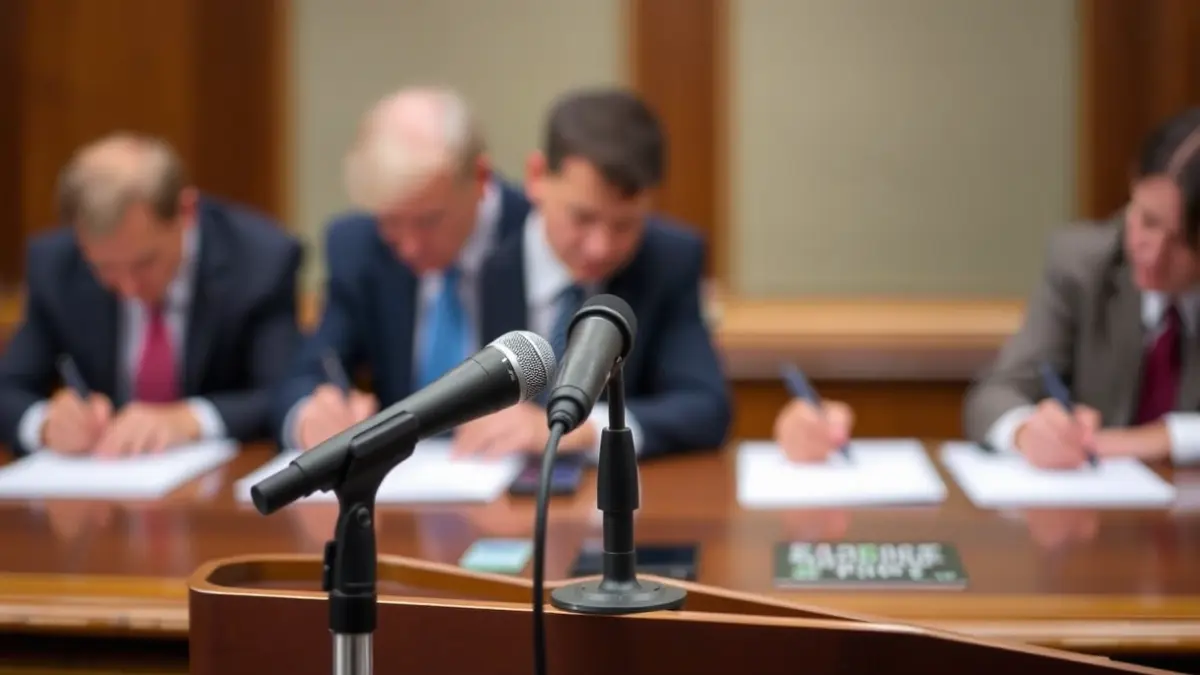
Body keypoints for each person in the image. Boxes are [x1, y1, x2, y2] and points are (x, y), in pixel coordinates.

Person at [449, 87, 730, 459]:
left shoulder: (668, 258)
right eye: (582, 217)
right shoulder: (478, 250)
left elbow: (706, 408)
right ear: (536, 177)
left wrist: (587, 428)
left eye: (625, 225)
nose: (601, 247)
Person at [0, 132, 303, 457]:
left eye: (144, 263)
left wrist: (189, 419)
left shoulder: (259, 259)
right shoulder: (56, 267)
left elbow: (283, 392)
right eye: (105, 268)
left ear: (186, 212)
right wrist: (45, 423)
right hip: (103, 483)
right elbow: (8, 390)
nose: (129, 287)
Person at [274, 87, 533, 449]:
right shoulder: (359, 245)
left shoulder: (537, 233)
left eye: (428, 221)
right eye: (392, 224)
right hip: (402, 485)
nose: (409, 246)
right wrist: (310, 417)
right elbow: (309, 369)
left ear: (480, 178)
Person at [964, 107, 1200, 468]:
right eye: (1146, 220)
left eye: (1182, 242)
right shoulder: (1082, 264)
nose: (1153, 251)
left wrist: (1163, 439)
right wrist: (1027, 431)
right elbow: (997, 393)